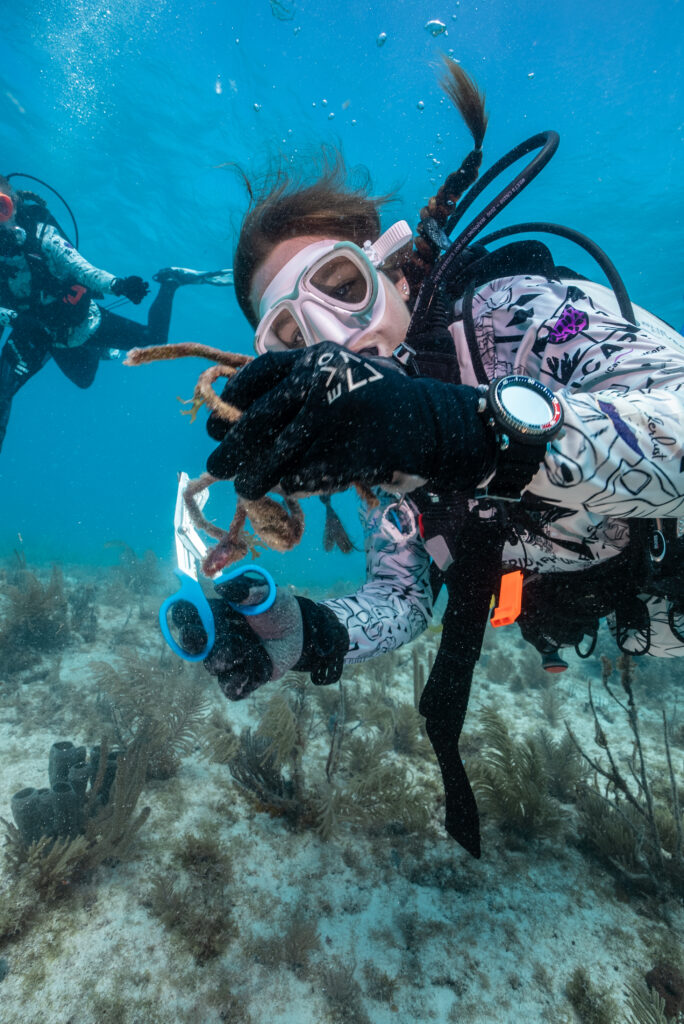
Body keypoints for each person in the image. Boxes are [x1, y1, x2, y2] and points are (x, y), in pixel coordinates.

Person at [173, 62, 684, 857]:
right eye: (291, 336)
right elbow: (404, 598)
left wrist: (461, 429)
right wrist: (303, 633)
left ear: (393, 266)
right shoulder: (383, 458)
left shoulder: (515, 316)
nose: (335, 339)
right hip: (642, 624)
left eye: (340, 287)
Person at [0, 173, 232, 452]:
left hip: (80, 322)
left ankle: (171, 282)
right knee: (35, 387)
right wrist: (15, 319)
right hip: (35, 334)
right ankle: (94, 351)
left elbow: (81, 268)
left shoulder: (42, 235)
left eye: (1, 209)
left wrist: (118, 285)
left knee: (155, 340)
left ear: (15, 205)